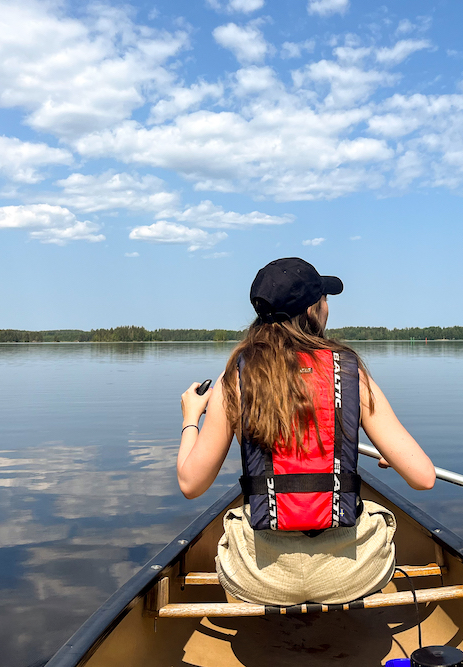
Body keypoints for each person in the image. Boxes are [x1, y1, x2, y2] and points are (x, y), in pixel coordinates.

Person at [176, 258, 435, 606]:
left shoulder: (234, 380)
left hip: (259, 578)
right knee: (378, 515)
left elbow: (191, 484)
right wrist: (393, 455)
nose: (328, 307)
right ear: (313, 309)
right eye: (325, 299)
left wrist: (190, 417)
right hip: (350, 576)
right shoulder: (350, 373)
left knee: (233, 523)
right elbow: (423, 478)